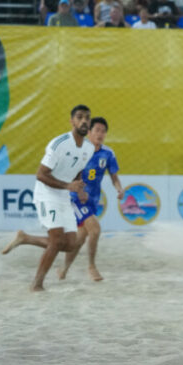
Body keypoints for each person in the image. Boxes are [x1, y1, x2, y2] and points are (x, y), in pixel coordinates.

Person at [0, 105, 95, 291]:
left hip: (63, 195)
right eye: (80, 117)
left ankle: (24, 238)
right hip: (46, 194)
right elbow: (41, 175)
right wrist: (68, 186)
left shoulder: (89, 148)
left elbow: (78, 171)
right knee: (56, 239)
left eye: (87, 118)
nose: (84, 121)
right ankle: (37, 284)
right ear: (72, 121)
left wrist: (79, 189)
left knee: (69, 244)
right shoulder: (59, 144)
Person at [57, 117, 123, 282]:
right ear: (89, 132)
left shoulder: (108, 154)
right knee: (95, 230)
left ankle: (63, 269)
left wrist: (119, 188)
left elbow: (114, 176)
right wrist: (78, 190)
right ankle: (91, 267)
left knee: (79, 239)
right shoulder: (79, 151)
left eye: (103, 131)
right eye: (97, 130)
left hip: (92, 200)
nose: (100, 134)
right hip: (76, 198)